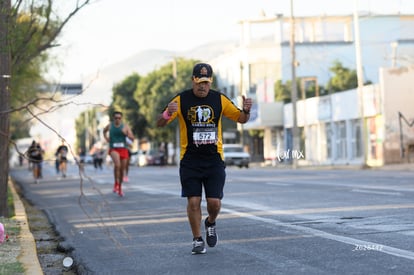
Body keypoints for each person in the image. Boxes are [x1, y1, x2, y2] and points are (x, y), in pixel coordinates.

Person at [156, 63, 252, 254]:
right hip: (190, 160)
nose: (203, 86)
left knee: (214, 203)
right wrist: (168, 113)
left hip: (214, 160)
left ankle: (210, 222)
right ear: (193, 80)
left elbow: (241, 119)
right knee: (193, 202)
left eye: (206, 82)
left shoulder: (219, 99)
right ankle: (197, 239)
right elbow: (160, 123)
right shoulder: (182, 99)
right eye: (199, 82)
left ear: (211, 81)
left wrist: (247, 110)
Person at [103, 111, 135, 197]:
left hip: (123, 149)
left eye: (119, 118)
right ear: (113, 118)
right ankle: (115, 183)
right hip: (113, 149)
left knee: (122, 170)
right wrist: (106, 138)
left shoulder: (125, 127)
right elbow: (104, 131)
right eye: (116, 118)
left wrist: (127, 135)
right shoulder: (110, 126)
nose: (117, 119)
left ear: (121, 119)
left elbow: (132, 138)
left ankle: (120, 188)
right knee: (117, 165)